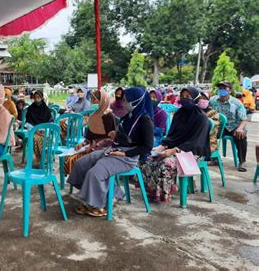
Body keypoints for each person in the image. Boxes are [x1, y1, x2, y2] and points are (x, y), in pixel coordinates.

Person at [68, 87, 154, 217]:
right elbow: (123, 135)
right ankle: (102, 196)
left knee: (95, 173)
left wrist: (125, 153)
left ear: (136, 101)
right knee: (81, 164)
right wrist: (115, 134)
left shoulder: (145, 120)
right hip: (113, 149)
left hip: (127, 157)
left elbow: (147, 146)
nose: (123, 102)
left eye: (126, 100)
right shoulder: (128, 116)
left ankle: (99, 206)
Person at [141, 87, 211, 202]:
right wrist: (162, 147)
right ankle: (154, 191)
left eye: (188, 97)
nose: (184, 99)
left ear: (195, 98)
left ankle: (164, 192)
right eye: (183, 96)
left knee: (166, 163)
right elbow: (172, 135)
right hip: (175, 149)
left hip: (193, 152)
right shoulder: (179, 114)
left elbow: (196, 142)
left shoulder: (201, 118)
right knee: (148, 158)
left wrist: (173, 151)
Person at [63, 90, 117, 175]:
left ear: (102, 101)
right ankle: (80, 183)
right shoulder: (93, 116)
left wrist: (94, 146)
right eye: (91, 99)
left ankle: (83, 183)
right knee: (68, 158)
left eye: (95, 99)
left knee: (76, 160)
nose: (92, 102)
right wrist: (83, 144)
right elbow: (89, 137)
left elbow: (110, 139)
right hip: (91, 146)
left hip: (102, 149)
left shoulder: (108, 116)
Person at [210, 81, 248, 172]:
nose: (222, 90)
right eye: (220, 88)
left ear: (230, 90)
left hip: (234, 126)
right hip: (219, 126)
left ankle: (242, 161)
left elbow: (244, 119)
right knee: (208, 133)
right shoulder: (213, 101)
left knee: (241, 136)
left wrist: (240, 128)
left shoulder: (236, 103)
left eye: (224, 88)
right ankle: (214, 158)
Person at [26, 90, 52, 165]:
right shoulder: (30, 109)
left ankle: (46, 159)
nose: (37, 99)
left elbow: (49, 122)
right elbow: (28, 122)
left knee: (46, 138)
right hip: (33, 130)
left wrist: (44, 130)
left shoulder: (46, 109)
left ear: (41, 98)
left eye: (38, 97)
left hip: (45, 130)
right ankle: (40, 158)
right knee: (35, 138)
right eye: (35, 98)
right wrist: (35, 130)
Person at [197, 91, 220, 155]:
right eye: (200, 98)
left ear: (208, 100)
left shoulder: (213, 112)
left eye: (204, 99)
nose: (201, 100)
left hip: (208, 143)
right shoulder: (194, 111)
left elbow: (212, 128)